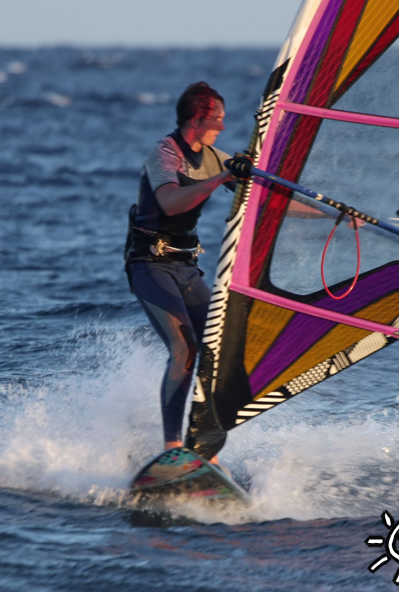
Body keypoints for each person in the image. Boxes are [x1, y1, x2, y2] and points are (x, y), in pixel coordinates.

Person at [124, 81, 252, 456]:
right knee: (184, 348)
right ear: (198, 119)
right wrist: (225, 177)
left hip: (186, 268)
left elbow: (267, 198)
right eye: (219, 120)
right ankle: (171, 449)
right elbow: (171, 204)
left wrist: (333, 216)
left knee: (220, 347)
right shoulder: (163, 153)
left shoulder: (214, 156)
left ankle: (202, 452)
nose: (223, 128)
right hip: (150, 265)